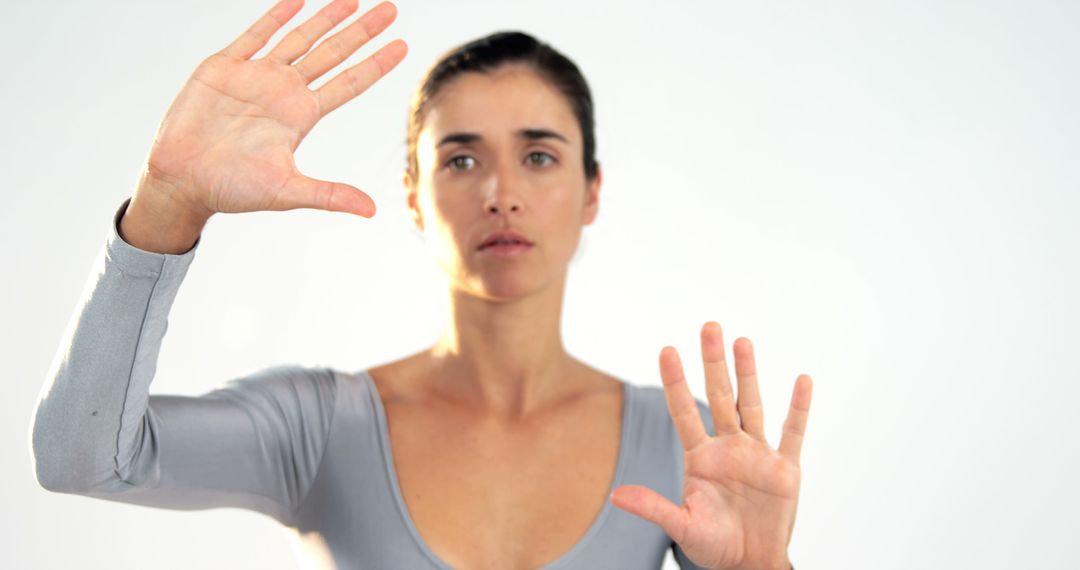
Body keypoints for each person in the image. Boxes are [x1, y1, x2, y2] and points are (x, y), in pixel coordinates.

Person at [29, 0, 813, 568]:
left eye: (538, 156)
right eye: (461, 159)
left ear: (592, 190)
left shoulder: (689, 446)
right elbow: (82, 457)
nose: (501, 191)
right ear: (413, 194)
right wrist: (166, 202)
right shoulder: (318, 428)